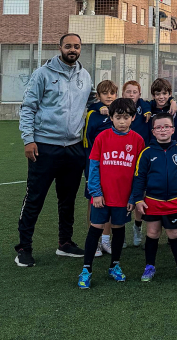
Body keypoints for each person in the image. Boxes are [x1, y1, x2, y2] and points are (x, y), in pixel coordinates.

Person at [16, 33, 95, 267]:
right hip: (44, 147)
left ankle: (65, 243)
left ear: (81, 49)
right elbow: (28, 107)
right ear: (60, 47)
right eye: (68, 46)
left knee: (67, 199)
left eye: (77, 46)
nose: (73, 49)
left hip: (73, 148)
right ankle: (24, 248)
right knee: (35, 198)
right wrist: (28, 139)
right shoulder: (42, 74)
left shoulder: (85, 75)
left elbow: (93, 103)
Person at [77, 98, 144, 288]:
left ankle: (115, 265)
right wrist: (95, 193)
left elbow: (139, 173)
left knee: (118, 230)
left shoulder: (138, 140)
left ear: (133, 118)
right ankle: (86, 269)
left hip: (123, 198)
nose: (122, 122)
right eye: (118, 117)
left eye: (126, 117)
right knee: (95, 229)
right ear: (112, 118)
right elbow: (94, 166)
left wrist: (133, 197)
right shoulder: (102, 137)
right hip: (102, 197)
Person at [129, 113, 177, 282]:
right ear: (153, 131)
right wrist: (138, 199)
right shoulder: (147, 153)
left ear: (173, 130)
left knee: (174, 233)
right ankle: (149, 266)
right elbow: (139, 177)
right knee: (152, 232)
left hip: (173, 201)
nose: (162, 130)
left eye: (166, 126)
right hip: (152, 201)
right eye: (158, 127)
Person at [82, 80, 118, 256]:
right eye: (105, 93)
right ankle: (94, 241)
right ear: (98, 96)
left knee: (110, 202)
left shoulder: (119, 112)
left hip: (113, 166)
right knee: (94, 201)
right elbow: (87, 141)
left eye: (112, 93)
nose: (109, 96)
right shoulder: (93, 114)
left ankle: (106, 239)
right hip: (95, 165)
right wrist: (96, 109)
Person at [122, 80, 152, 247]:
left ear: (140, 94)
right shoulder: (119, 108)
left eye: (135, 92)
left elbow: (157, 102)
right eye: (128, 91)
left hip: (141, 159)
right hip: (124, 159)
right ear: (123, 93)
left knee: (140, 194)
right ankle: (122, 231)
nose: (131, 94)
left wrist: (171, 102)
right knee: (123, 196)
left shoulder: (145, 107)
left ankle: (137, 227)